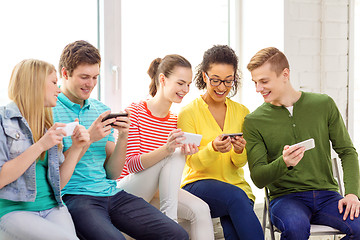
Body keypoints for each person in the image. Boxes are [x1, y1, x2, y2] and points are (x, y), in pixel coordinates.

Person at [52, 40, 188, 240]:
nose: (90, 84)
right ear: (65, 73)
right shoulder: (51, 111)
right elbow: (53, 174)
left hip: (111, 194)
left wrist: (124, 136)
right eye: (84, 77)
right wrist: (89, 138)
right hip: (76, 197)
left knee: (176, 235)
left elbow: (112, 173)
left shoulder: (100, 110)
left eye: (95, 77)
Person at [244, 47, 360, 239]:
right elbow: (258, 177)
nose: (258, 88)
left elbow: (347, 152)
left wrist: (352, 194)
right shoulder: (254, 121)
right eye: (255, 82)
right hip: (286, 199)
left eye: (264, 81)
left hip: (328, 196)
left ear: (285, 74)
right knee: (296, 228)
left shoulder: (323, 104)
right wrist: (284, 163)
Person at [117, 55, 214, 239]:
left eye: (188, 84)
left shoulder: (174, 121)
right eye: (180, 83)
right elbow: (131, 165)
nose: (185, 90)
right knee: (173, 151)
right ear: (162, 79)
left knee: (201, 209)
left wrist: (186, 153)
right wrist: (167, 150)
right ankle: (171, 222)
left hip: (157, 194)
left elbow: (169, 175)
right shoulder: (134, 112)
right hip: (127, 192)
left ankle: (170, 221)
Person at [178, 45, 264, 240]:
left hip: (235, 188)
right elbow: (192, 162)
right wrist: (213, 148)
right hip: (197, 184)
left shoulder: (242, 112)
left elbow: (240, 163)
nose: (222, 87)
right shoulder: (189, 113)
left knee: (234, 227)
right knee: (236, 198)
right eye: (215, 80)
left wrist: (240, 150)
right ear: (204, 76)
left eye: (228, 81)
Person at [0, 59, 90, 239]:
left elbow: (59, 183)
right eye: (54, 83)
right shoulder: (3, 120)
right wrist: (40, 145)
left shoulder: (47, 126)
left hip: (53, 207)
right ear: (35, 84)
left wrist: (77, 148)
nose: (59, 89)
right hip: (13, 211)